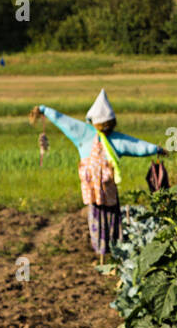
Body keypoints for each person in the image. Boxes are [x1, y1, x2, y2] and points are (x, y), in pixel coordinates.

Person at [30, 88, 165, 260]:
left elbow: (136, 146)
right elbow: (63, 120)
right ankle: (104, 256)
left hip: (107, 192)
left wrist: (156, 149)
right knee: (102, 221)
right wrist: (44, 110)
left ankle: (111, 255)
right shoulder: (86, 133)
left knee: (109, 222)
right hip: (94, 192)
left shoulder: (104, 137)